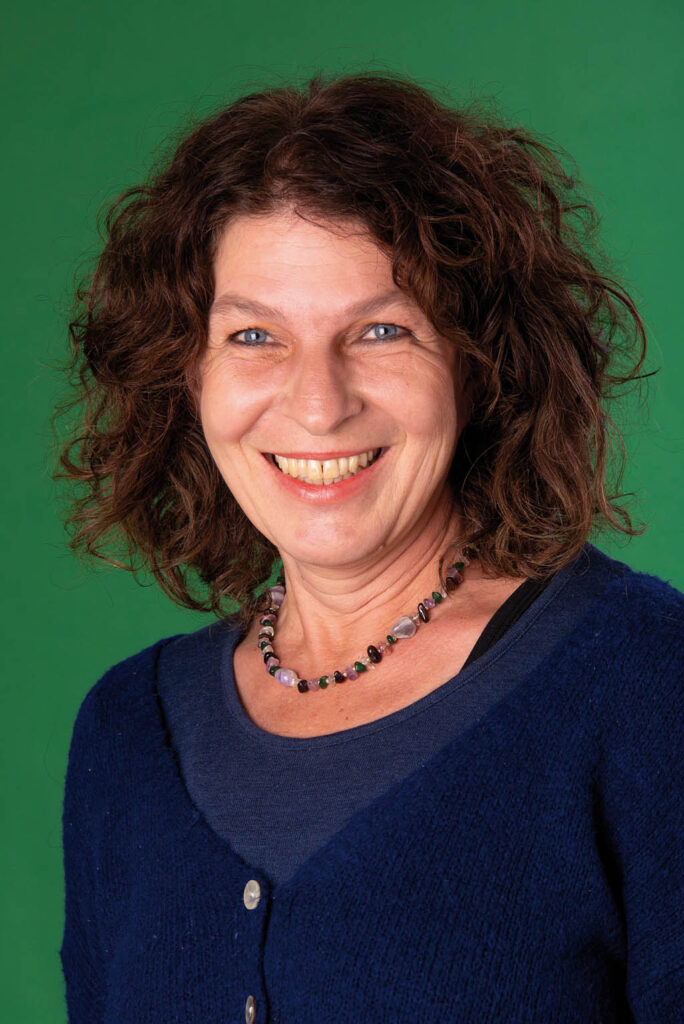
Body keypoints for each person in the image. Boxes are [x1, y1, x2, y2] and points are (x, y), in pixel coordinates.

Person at [55, 71, 683, 1022]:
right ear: (186, 376)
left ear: (478, 363)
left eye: (382, 330)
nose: (318, 403)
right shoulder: (127, 734)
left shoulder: (643, 682)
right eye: (254, 335)